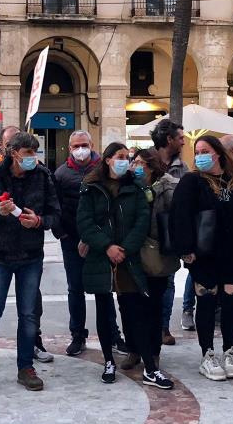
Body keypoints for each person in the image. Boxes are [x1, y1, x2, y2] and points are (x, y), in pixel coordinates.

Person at [0, 132, 61, 394]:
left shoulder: (43, 177)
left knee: (29, 314)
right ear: (13, 153)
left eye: (35, 152)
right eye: (28, 153)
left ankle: (26, 367)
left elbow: (55, 213)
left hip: (31, 256)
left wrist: (40, 221)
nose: (32, 157)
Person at [77, 143, 173, 389]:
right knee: (104, 311)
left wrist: (125, 248)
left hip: (128, 257)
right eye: (120, 157)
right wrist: (107, 246)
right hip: (101, 256)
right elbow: (85, 222)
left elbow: (142, 221)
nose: (125, 161)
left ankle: (150, 368)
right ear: (108, 159)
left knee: (135, 311)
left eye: (127, 157)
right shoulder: (91, 187)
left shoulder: (136, 186)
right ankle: (109, 361)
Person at [172, 135, 233, 382]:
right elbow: (180, 216)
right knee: (208, 301)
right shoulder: (191, 181)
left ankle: (230, 351)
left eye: (205, 150)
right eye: (197, 151)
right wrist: (185, 248)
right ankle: (207, 354)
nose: (200, 155)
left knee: (232, 303)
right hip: (204, 255)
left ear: (218, 153)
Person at [53, 130, 122, 357]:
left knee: (104, 288)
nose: (80, 149)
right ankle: (78, 335)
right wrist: (61, 233)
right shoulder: (61, 173)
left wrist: (98, 237)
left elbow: (110, 204)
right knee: (75, 289)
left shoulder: (104, 170)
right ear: (69, 148)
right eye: (75, 146)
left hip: (99, 241)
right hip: (71, 240)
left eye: (84, 145)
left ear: (91, 145)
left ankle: (113, 334)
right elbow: (57, 205)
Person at [131, 148, 181, 369]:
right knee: (132, 306)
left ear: (152, 166)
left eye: (141, 163)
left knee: (153, 306)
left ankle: (153, 352)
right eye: (135, 162)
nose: (136, 166)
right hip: (132, 252)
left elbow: (175, 219)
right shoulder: (129, 184)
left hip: (157, 253)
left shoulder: (168, 186)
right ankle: (134, 349)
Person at [150, 119, 191, 336]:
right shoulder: (144, 161)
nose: (184, 142)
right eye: (181, 138)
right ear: (169, 139)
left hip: (169, 232)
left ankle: (163, 328)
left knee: (168, 280)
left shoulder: (181, 167)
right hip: (145, 232)